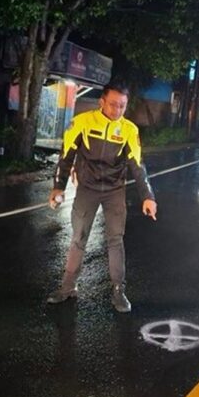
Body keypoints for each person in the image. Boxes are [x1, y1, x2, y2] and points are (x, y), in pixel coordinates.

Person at [46, 83, 157, 313]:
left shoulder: (129, 130)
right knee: (78, 238)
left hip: (115, 191)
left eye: (123, 106)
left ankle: (118, 291)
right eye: (114, 104)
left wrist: (148, 196)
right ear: (102, 102)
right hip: (87, 189)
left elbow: (138, 165)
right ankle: (67, 288)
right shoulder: (82, 122)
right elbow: (66, 155)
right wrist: (58, 186)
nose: (118, 110)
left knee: (115, 240)